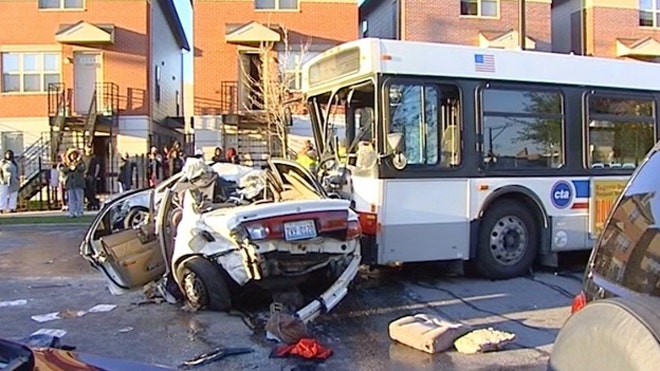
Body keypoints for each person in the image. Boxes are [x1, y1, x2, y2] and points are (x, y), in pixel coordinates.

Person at [60, 148, 86, 218]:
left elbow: (83, 169)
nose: (73, 156)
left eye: (74, 154)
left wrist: (76, 165)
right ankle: (72, 212)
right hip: (70, 184)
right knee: (71, 199)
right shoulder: (66, 163)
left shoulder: (80, 162)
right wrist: (69, 168)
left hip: (78, 183)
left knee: (79, 199)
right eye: (71, 155)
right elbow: (62, 170)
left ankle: (79, 212)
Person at [83, 146, 101, 210]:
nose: (89, 149)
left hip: (91, 176)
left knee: (92, 191)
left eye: (90, 148)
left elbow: (97, 166)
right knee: (86, 191)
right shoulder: (83, 157)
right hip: (84, 176)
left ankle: (93, 203)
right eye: (88, 148)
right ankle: (88, 202)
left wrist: (95, 175)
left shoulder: (94, 157)